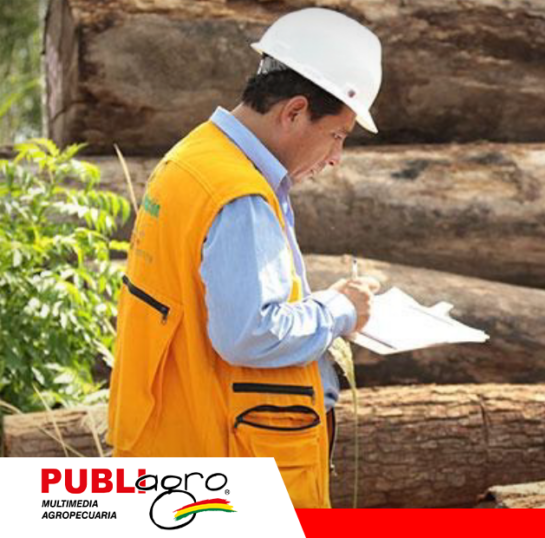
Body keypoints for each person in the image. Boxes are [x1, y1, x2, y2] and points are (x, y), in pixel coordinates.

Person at [108, 8, 382, 508]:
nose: (337, 156)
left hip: (173, 454)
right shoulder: (240, 196)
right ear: (295, 112)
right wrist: (340, 311)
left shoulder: (192, 159)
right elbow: (250, 332)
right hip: (226, 467)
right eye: (338, 135)